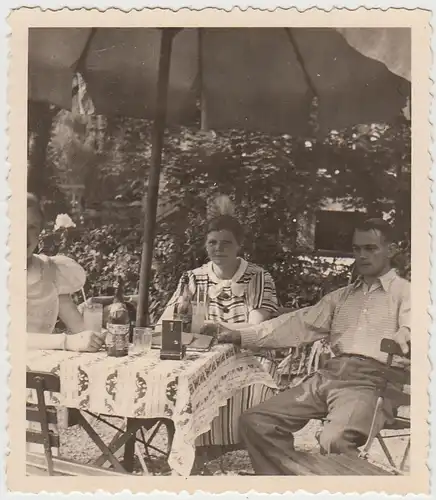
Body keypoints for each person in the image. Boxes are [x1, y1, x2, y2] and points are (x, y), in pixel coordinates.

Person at [217, 218, 410, 474]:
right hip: (328, 377)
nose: (361, 256)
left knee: (335, 441)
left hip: (372, 382)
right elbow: (295, 325)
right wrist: (238, 335)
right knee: (256, 421)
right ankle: (298, 485)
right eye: (356, 249)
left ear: (392, 249)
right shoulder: (341, 297)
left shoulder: (407, 293)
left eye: (370, 248)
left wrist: (408, 331)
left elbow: (416, 322)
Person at [157, 195, 279, 450]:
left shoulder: (258, 278)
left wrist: (224, 331)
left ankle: (236, 445)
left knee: (254, 385)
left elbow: (256, 329)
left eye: (226, 243)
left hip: (248, 355)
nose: (218, 249)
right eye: (212, 243)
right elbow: (166, 323)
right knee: (179, 381)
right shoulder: (193, 278)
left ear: (239, 246)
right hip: (201, 355)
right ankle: (192, 451)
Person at [27, 193, 104, 352]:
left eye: (32, 227)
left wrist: (101, 337)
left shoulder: (49, 270)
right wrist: (67, 342)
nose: (24, 236)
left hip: (40, 371)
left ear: (40, 230)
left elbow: (80, 329)